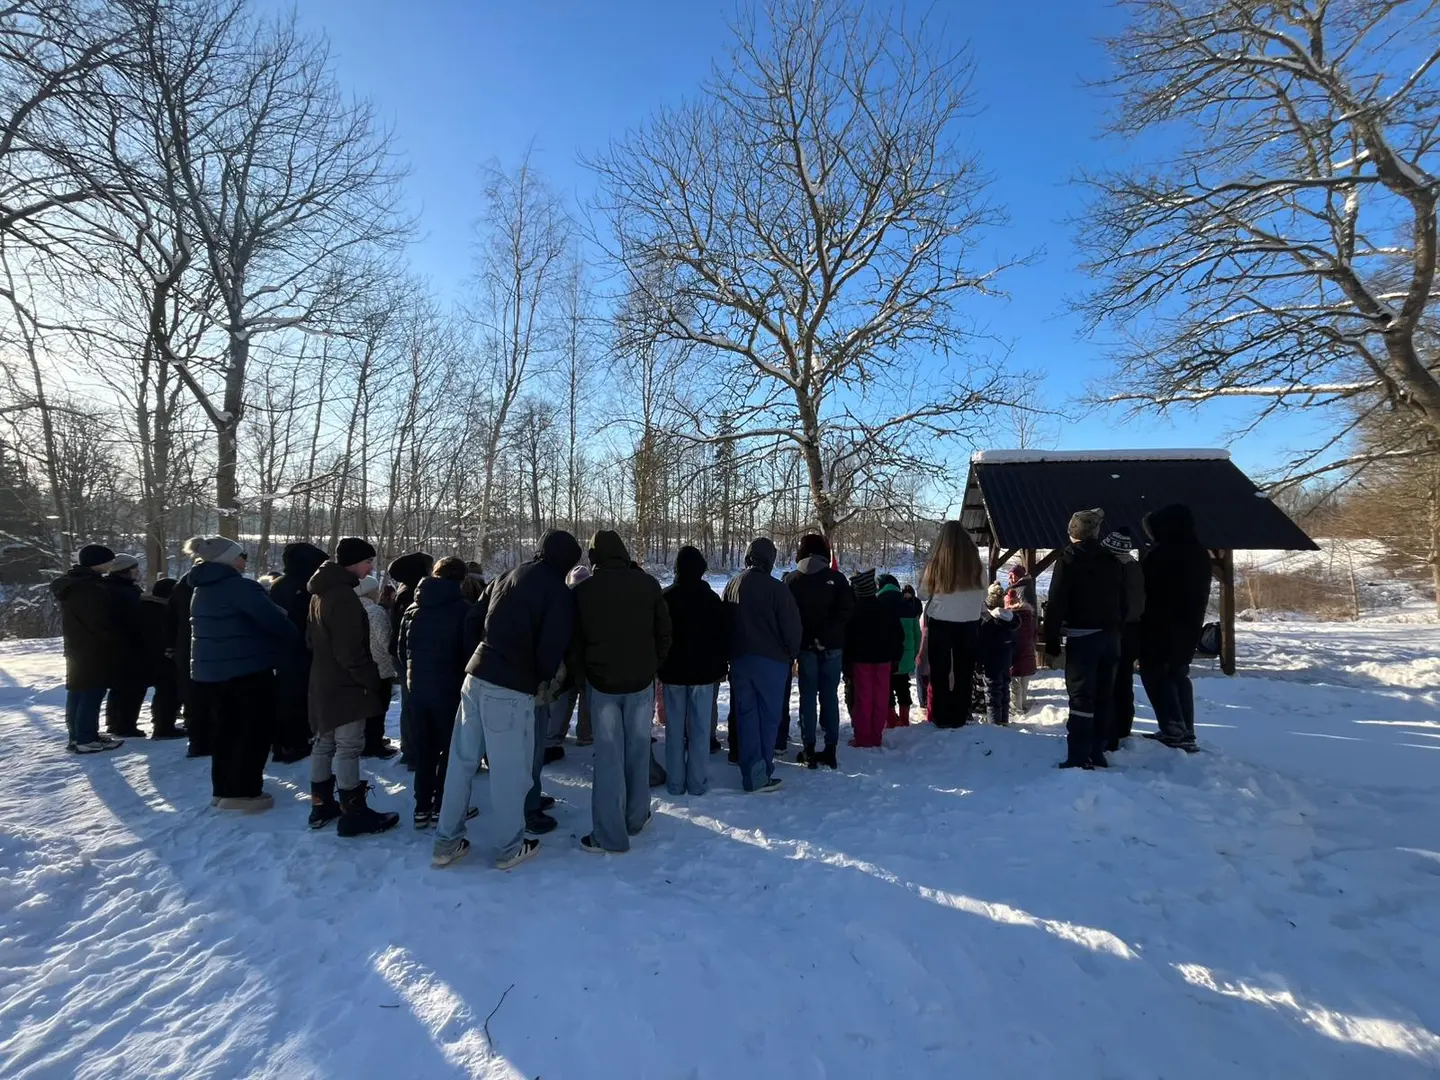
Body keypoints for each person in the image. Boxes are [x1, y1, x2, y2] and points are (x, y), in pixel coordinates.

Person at [432, 529, 580, 870]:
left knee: (461, 763)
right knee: (509, 772)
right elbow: (551, 648)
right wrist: (541, 678)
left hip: (476, 676)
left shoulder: (507, 575)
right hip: (510, 688)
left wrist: (482, 656)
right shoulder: (558, 592)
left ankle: (445, 842)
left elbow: (474, 619)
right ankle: (510, 847)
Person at [570, 531, 672, 853]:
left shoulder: (583, 591)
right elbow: (664, 631)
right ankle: (636, 816)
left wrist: (582, 676)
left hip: (602, 684)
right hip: (640, 681)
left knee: (608, 757)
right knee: (639, 751)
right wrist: (654, 664)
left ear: (594, 557)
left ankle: (609, 834)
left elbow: (574, 642)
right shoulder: (648, 585)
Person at [186, 536, 298, 811]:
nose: (244, 559)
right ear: (228, 559)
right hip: (247, 667)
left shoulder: (202, 587)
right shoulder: (239, 587)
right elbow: (274, 621)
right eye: (240, 554)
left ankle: (223, 788)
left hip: (212, 670)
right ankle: (244, 791)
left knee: (226, 729)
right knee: (253, 730)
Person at [306, 537, 400, 836]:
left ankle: (321, 805)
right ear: (353, 562)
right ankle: (354, 813)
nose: (370, 567)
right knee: (347, 747)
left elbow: (311, 640)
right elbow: (350, 650)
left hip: (323, 678)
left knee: (324, 743)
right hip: (346, 683)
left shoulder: (320, 592)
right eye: (367, 562)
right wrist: (368, 678)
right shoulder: (343, 596)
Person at [1044, 510, 1127, 770]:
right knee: (1104, 694)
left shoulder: (1068, 559)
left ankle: (1078, 756)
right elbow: (1123, 600)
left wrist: (1051, 637)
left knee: (1082, 697)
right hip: (1111, 636)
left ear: (1072, 531)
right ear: (1095, 532)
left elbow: (1057, 601)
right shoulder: (1112, 560)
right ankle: (1097, 750)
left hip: (1083, 637)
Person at [398, 556, 472, 828]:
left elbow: (401, 650)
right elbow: (469, 654)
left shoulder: (413, 608)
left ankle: (422, 806)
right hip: (450, 690)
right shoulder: (464, 610)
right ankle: (444, 805)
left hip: (417, 688)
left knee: (425, 751)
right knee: (451, 751)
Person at [723, 537, 802, 792]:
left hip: (740, 659)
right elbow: (792, 628)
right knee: (768, 718)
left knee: (746, 716)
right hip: (771, 662)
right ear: (770, 560)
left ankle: (750, 770)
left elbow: (724, 622)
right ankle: (762, 772)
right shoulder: (777, 589)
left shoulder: (732, 584)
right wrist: (791, 653)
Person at [1137, 504, 1212, 752]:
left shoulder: (1162, 555)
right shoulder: (1199, 553)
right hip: (1189, 626)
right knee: (1179, 674)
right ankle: (1186, 729)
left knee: (1156, 673)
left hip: (1159, 626)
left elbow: (1143, 590)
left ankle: (1173, 729)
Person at [657, 545, 727, 796]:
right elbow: (721, 638)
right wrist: (721, 666)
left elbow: (658, 636)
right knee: (699, 730)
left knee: (674, 730)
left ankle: (675, 783)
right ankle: (697, 782)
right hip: (703, 674)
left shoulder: (665, 598)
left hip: (673, 673)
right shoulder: (711, 600)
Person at [782, 533, 854, 768]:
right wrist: (826, 635)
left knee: (807, 697)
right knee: (829, 696)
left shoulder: (791, 580)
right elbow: (846, 612)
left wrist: (804, 639)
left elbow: (788, 616)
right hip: (831, 646)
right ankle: (830, 748)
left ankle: (809, 748)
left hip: (805, 648)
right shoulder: (837, 579)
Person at [51, 544, 125, 753]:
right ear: (97, 562)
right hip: (93, 648)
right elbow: (98, 621)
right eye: (108, 560)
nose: (111, 564)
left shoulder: (75, 584)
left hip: (78, 647)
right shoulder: (89, 588)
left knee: (78, 691)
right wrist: (112, 638)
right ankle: (86, 738)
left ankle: (78, 735)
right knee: (91, 692)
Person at [918, 521, 985, 729]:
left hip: (941, 621)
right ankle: (960, 714)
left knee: (940, 671)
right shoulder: (977, 564)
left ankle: (941, 715)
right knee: (964, 671)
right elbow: (984, 593)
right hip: (970, 621)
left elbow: (923, 594)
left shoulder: (936, 564)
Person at [268, 542, 328, 764]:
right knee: (295, 697)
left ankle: (285, 742)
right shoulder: (301, 587)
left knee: (287, 696)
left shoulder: (280, 584)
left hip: (284, 650)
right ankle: (293, 743)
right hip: (298, 650)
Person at [385, 551, 434, 768]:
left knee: (410, 703)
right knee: (413, 705)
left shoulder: (405, 590)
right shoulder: (412, 594)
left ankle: (411, 748)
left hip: (401, 653)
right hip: (408, 655)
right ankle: (413, 750)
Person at [844, 569, 903, 748]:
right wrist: (896, 657)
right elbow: (898, 635)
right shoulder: (885, 609)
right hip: (884, 661)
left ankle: (863, 737)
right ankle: (876, 736)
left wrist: (846, 665)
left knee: (863, 699)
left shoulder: (853, 612)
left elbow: (847, 640)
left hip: (861, 661)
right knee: (880, 698)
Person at [543, 563, 594, 758]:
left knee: (563, 695)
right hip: (586, 656)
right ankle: (585, 733)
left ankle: (555, 733)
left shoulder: (562, 600)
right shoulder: (592, 601)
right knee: (586, 696)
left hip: (565, 657)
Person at [1104, 528, 1146, 750]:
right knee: (1124, 680)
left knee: (1110, 681)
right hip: (1134, 631)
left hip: (1118, 628)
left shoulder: (1117, 569)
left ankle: (1110, 729)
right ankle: (1123, 726)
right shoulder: (1135, 567)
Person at [101, 554, 147, 738]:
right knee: (132, 687)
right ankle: (126, 724)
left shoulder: (109, 587)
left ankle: (114, 722)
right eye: (135, 569)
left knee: (119, 687)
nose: (138, 572)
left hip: (115, 646)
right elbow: (136, 618)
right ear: (125, 571)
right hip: (129, 645)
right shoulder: (125, 591)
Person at [355, 574, 399, 759]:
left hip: (358, 666)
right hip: (380, 666)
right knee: (379, 708)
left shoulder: (349, 609)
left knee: (364, 709)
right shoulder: (375, 612)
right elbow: (386, 641)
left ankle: (364, 740)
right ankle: (374, 744)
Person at [142, 578, 185, 739]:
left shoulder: (146, 607)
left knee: (163, 693)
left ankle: (161, 723)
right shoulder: (163, 611)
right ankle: (164, 727)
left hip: (152, 656)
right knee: (168, 693)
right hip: (164, 657)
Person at [878, 574, 920, 728]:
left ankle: (890, 720)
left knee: (886, 688)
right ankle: (904, 719)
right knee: (903, 685)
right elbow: (917, 634)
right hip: (906, 654)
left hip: (885, 654)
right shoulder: (907, 605)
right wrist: (914, 653)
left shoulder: (878, 602)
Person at [978, 584, 1020, 725]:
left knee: (992, 693)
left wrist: (979, 661)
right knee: (1005, 691)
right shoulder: (1011, 620)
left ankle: (994, 724)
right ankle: (1004, 720)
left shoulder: (987, 622)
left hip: (991, 662)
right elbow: (1015, 643)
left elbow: (982, 645)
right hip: (1006, 660)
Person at [1005, 566, 1038, 715]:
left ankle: (1017, 708)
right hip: (1027, 648)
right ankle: (1022, 704)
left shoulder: (1023, 590)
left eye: (1012, 575)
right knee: (1023, 680)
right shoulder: (1022, 588)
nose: (1010, 578)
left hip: (1017, 650)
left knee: (1016, 682)